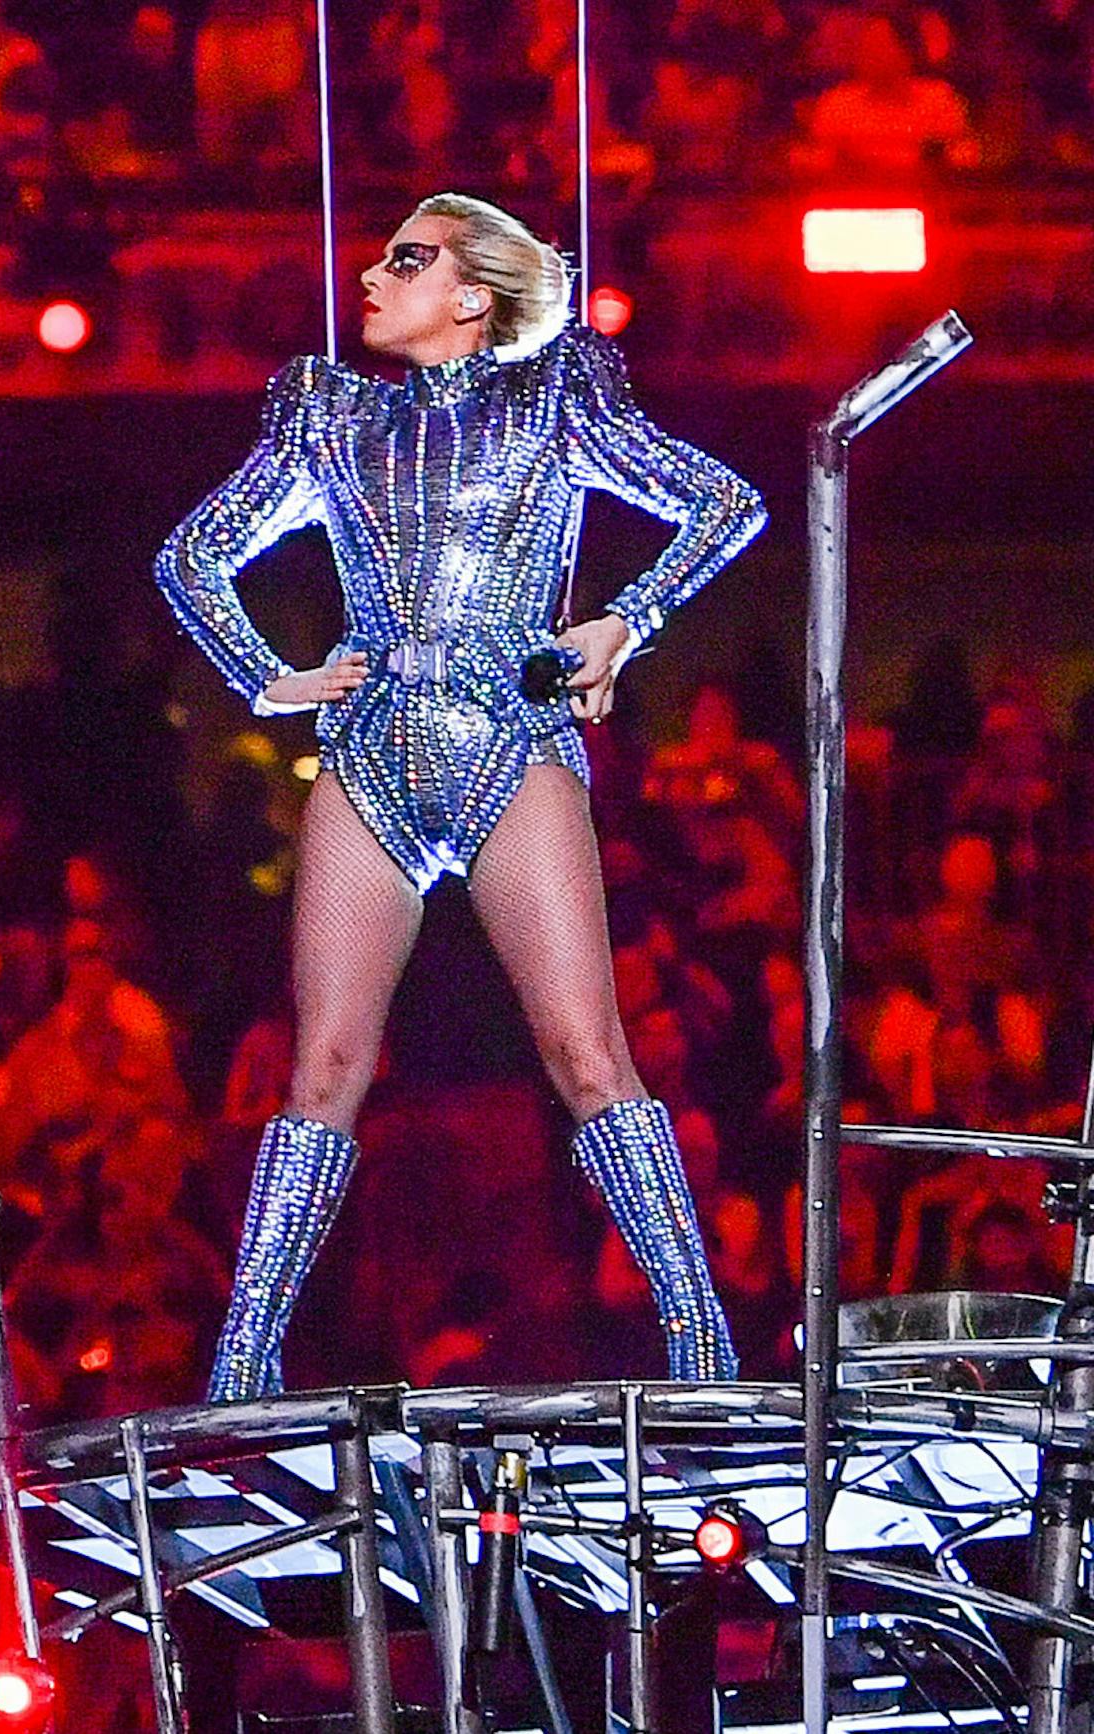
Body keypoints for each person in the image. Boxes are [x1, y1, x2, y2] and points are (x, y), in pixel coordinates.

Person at [156, 192, 767, 1401]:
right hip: (374, 743)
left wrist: (620, 626)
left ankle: (701, 1339)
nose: (371, 278)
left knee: (586, 1051)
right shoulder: (328, 419)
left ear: (474, 297)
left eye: (407, 260)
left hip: (508, 735)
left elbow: (725, 506)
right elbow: (190, 556)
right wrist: (269, 677)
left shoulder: (556, 400)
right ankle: (244, 1360)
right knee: (324, 1067)